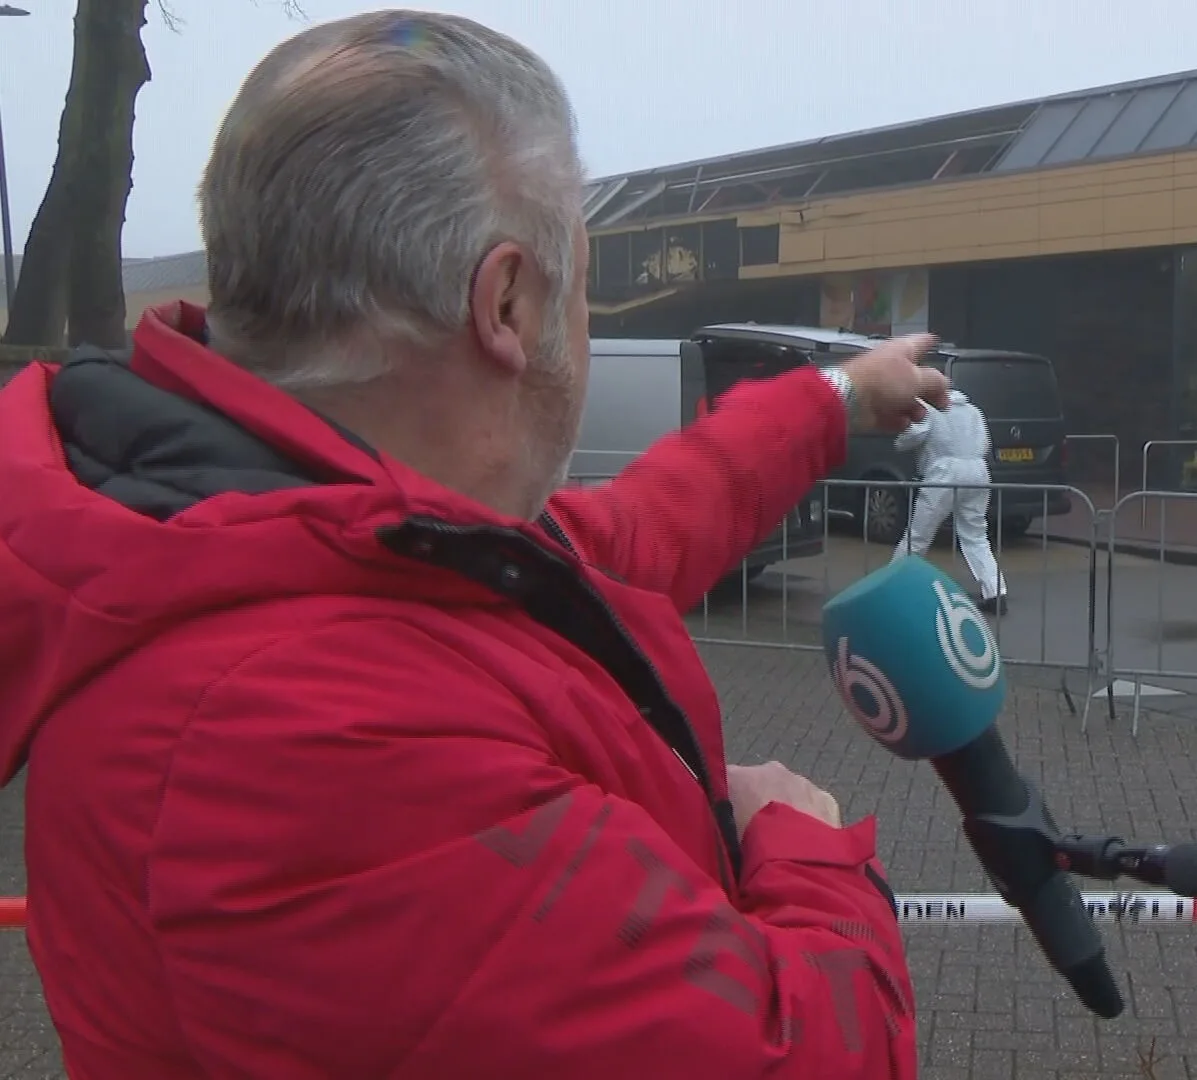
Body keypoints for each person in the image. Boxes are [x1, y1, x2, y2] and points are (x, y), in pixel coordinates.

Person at [0, 11, 945, 1077]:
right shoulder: (317, 738)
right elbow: (806, 1056)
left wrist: (838, 398)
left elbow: (627, 540)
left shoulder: (301, 549)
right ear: (505, 301)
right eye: (583, 287)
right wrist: (802, 851)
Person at [893, 387, 1008, 613]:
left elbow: (911, 438)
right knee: (975, 534)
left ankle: (892, 585)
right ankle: (995, 592)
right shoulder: (974, 411)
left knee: (918, 535)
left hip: (943, 472)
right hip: (978, 471)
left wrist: (899, 438)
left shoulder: (928, 409)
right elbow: (984, 444)